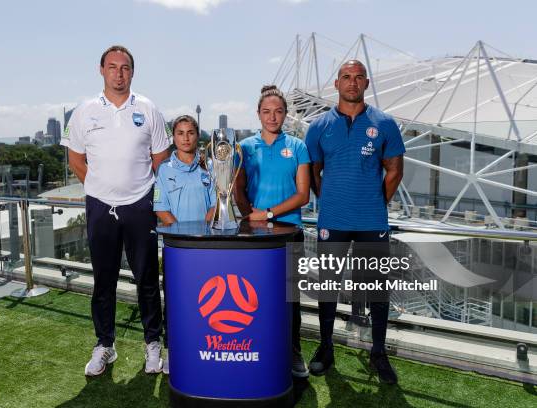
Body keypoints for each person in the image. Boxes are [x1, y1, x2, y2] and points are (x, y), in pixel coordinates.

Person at [62, 45, 170, 376]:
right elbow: (76, 159)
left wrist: (135, 189)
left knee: (147, 280)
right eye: (113, 67)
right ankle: (105, 346)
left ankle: (153, 345)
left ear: (132, 73)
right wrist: (101, 186)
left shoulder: (148, 108)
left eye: (125, 68)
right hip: (99, 208)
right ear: (101, 70)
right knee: (103, 281)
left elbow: (160, 157)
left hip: (140, 206)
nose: (119, 73)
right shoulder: (85, 110)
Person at [304, 60, 405, 384]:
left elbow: (394, 170)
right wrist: (333, 200)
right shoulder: (318, 127)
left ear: (367, 83)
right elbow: (314, 173)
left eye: (358, 77)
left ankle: (378, 353)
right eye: (346, 77)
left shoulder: (385, 123)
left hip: (371, 220)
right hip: (332, 220)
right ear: (336, 84)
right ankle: (326, 347)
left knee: (376, 289)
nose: (352, 82)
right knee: (328, 287)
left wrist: (375, 203)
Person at [234, 85, 311, 378]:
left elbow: (303, 194)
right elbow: (237, 188)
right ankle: (260, 348)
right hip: (255, 235)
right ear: (258, 114)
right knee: (255, 296)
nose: (272, 116)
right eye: (266, 111)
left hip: (290, 231)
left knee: (290, 298)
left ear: (286, 114)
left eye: (278, 111)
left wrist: (267, 213)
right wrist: (248, 215)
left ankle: (293, 352)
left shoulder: (298, 146)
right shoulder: (245, 146)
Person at [154, 115, 216, 223]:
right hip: (177, 237)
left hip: (206, 236)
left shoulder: (209, 165)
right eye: (180, 133)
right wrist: (180, 232)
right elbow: (161, 209)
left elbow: (216, 204)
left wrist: (204, 231)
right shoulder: (163, 169)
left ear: (198, 135)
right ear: (173, 137)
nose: (186, 138)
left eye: (191, 133)